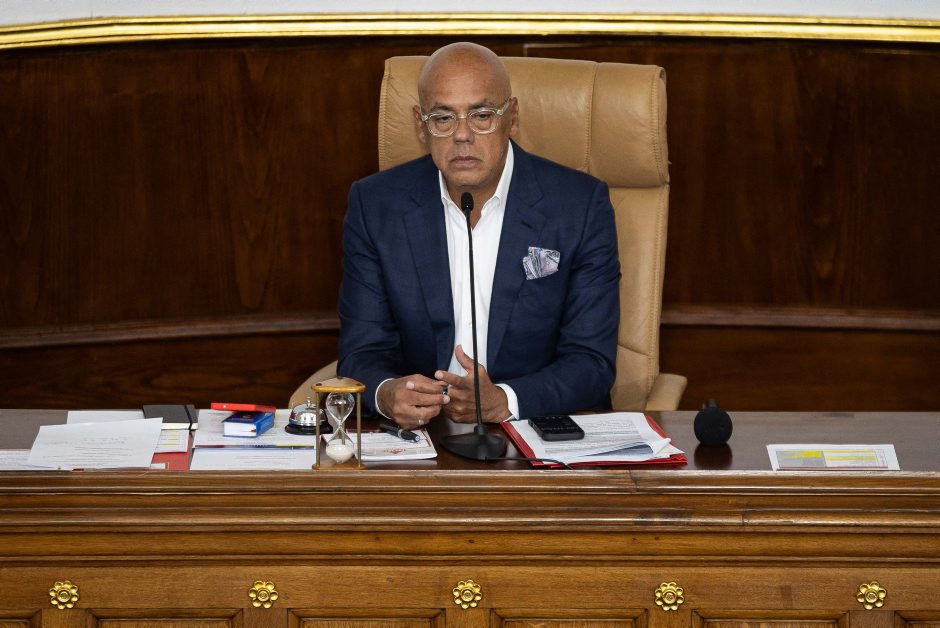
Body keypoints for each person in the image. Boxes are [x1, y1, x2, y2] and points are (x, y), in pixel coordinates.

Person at [337, 42, 620, 430]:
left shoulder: (579, 206)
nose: (463, 135)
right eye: (443, 118)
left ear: (512, 117)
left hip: (531, 428)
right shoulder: (376, 206)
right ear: (421, 124)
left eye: (482, 116)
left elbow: (592, 361)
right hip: (423, 434)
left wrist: (505, 400)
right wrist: (387, 394)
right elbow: (361, 351)